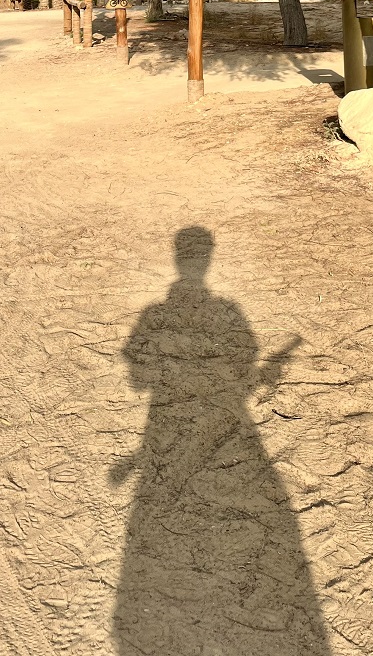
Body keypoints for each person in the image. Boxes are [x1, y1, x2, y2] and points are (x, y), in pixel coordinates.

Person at [112, 226, 331, 655]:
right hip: (217, 421)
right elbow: (243, 362)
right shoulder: (224, 309)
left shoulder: (160, 313)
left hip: (172, 421)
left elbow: (137, 374)